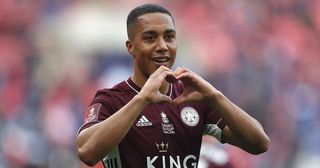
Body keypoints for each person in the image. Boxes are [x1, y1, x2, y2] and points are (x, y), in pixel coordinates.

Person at [76, 3, 270, 168]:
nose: (162, 46)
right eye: (150, 38)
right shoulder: (111, 99)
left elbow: (259, 143)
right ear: (130, 47)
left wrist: (214, 96)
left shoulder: (191, 97)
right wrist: (142, 99)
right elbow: (86, 152)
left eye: (169, 37)